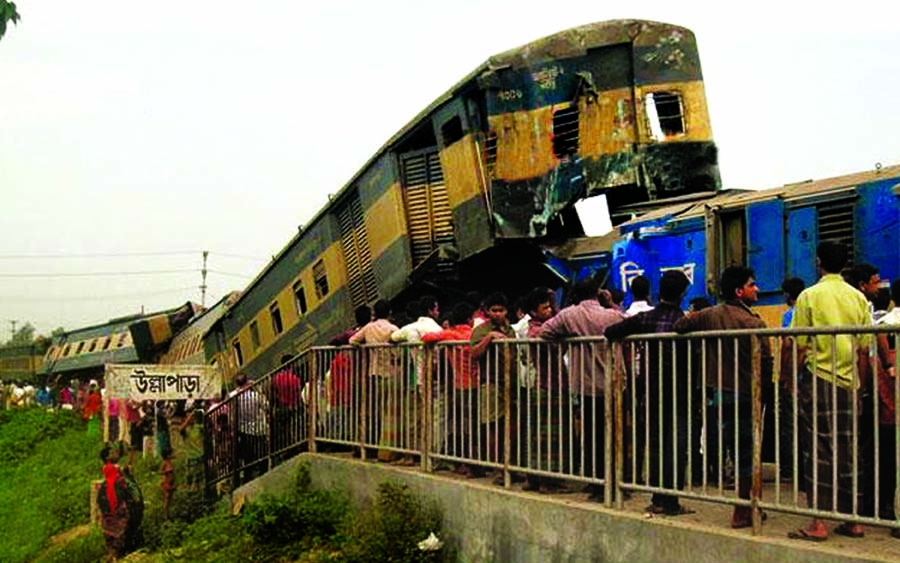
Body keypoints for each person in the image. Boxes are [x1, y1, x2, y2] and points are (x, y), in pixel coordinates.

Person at [673, 265, 773, 528]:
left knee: (732, 448)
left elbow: (681, 325)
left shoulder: (709, 315)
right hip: (747, 394)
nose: (757, 289)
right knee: (748, 453)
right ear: (740, 291)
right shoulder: (754, 323)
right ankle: (745, 509)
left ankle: (746, 507)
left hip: (720, 393)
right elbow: (766, 362)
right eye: (752, 285)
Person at [788, 241, 870, 542]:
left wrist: (794, 381)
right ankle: (853, 520)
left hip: (819, 377)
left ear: (818, 262)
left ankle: (818, 522)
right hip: (850, 382)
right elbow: (863, 348)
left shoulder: (809, 296)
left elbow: (799, 345)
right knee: (849, 450)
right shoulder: (858, 298)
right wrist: (860, 388)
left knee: (818, 450)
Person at [606, 270, 692, 515]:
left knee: (655, 445)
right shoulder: (684, 322)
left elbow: (611, 332)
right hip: (679, 393)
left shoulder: (645, 319)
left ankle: (657, 498)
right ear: (683, 294)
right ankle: (671, 500)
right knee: (676, 447)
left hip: (652, 392)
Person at [540, 278, 625, 500]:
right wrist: (611, 304)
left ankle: (595, 483)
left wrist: (567, 338)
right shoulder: (611, 315)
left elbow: (545, 331)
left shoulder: (570, 315)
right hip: (612, 383)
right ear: (598, 293)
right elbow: (626, 322)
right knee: (613, 435)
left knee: (591, 435)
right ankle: (613, 483)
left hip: (585, 384)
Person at [423, 302, 478, 475]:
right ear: (470, 319)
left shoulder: (449, 335)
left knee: (462, 425)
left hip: (459, 386)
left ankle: (464, 461)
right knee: (475, 426)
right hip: (477, 384)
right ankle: (476, 462)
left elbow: (426, 338)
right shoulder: (474, 334)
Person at [470, 292, 518, 479]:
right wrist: (489, 338)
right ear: (488, 311)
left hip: (510, 383)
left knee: (511, 427)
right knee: (493, 427)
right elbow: (474, 353)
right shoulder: (481, 330)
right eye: (494, 310)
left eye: (501, 310)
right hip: (490, 382)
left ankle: (510, 466)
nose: (498, 314)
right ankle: (498, 468)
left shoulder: (510, 330)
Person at [350, 299, 400, 461]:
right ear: (390, 312)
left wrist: (366, 349)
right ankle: (389, 450)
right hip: (392, 373)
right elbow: (399, 352)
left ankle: (375, 448)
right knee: (391, 412)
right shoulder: (393, 328)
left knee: (378, 411)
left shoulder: (368, 328)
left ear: (374, 313)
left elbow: (352, 341)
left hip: (375, 373)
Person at [97, 442, 135, 561]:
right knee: (120, 519)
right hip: (113, 494)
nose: (115, 454)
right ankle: (114, 553)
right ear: (107, 457)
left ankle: (112, 552)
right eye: (112, 453)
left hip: (110, 493)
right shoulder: (111, 468)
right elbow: (123, 470)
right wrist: (130, 457)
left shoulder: (109, 468)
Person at [160, 445, 175, 520]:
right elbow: (160, 472)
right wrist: (166, 472)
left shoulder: (169, 462)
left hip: (171, 483)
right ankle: (165, 515)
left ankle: (168, 514)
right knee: (167, 499)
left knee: (170, 499)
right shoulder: (165, 463)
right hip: (166, 483)